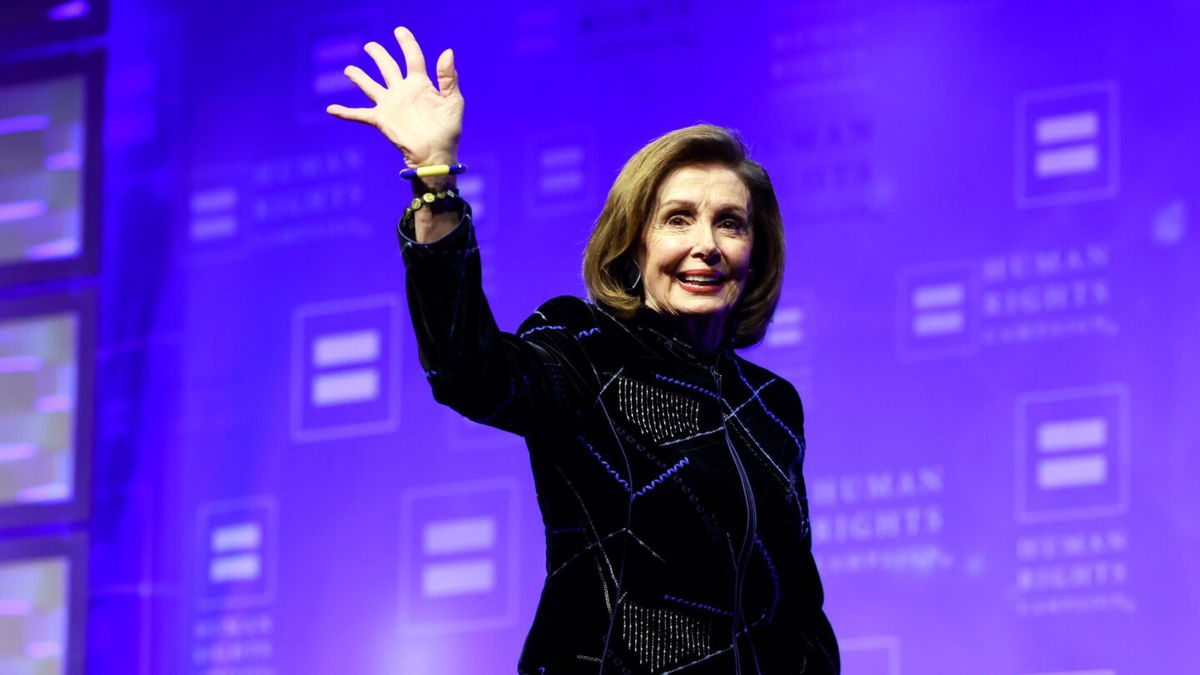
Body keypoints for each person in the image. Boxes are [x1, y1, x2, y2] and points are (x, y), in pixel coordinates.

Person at [328, 26, 839, 675]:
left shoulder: (772, 404)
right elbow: (468, 370)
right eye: (677, 218)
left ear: (755, 251)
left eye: (730, 223)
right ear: (633, 241)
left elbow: (797, 610)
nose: (706, 244)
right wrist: (434, 181)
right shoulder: (584, 348)